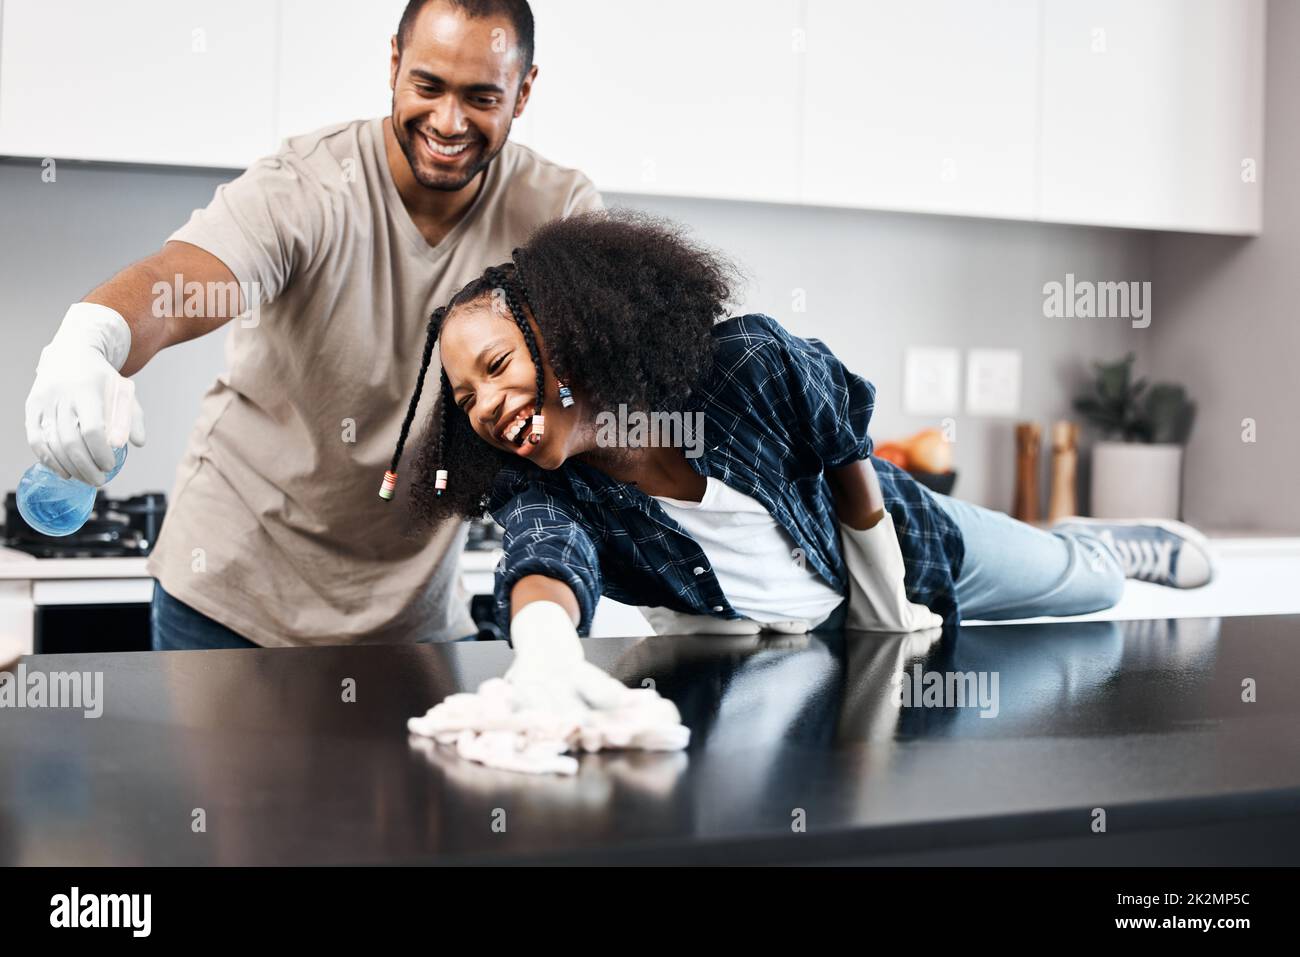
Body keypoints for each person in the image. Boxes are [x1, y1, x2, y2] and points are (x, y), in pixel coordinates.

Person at [390, 210, 1216, 745]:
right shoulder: (553, 490)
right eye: (465, 399)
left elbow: (845, 441)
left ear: (563, 332)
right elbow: (545, 554)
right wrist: (540, 649)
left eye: (497, 366)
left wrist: (882, 590)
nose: (488, 406)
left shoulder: (739, 364)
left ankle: (1099, 542)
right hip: (818, 656)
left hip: (918, 545)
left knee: (1087, 592)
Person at [23, 0, 600, 650]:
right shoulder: (311, 184)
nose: (447, 121)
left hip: (412, 616)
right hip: (232, 592)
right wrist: (93, 334)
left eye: (481, 97)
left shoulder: (558, 213)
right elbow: (180, 284)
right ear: (393, 62)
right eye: (427, 85)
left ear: (523, 92)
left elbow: (604, 385)